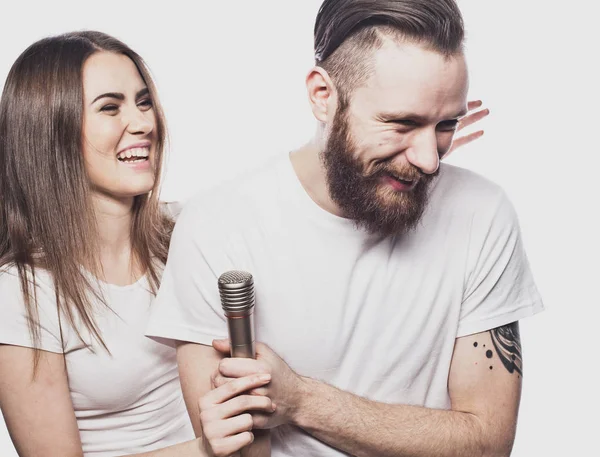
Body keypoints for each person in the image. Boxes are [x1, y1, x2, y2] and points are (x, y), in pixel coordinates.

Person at [145, 0, 543, 456]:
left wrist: (301, 400)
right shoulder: (216, 228)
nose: (430, 159)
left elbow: (487, 445)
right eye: (401, 123)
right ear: (322, 95)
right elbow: (230, 449)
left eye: (445, 125)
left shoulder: (482, 213)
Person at [0, 31, 274, 457]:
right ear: (50, 132)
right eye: (110, 107)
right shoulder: (21, 293)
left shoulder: (187, 233)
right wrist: (201, 450)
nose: (144, 122)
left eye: (143, 102)